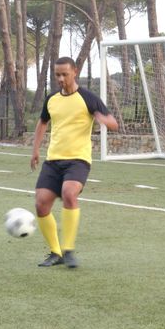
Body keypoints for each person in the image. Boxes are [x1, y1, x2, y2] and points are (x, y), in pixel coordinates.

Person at [29, 57, 119, 268]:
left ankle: (69, 250)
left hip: (78, 160)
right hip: (53, 160)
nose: (60, 78)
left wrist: (104, 120)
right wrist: (35, 150)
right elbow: (43, 122)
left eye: (64, 74)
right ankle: (56, 252)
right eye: (57, 75)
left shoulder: (88, 98)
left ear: (75, 72)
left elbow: (113, 122)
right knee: (41, 204)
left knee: (69, 193)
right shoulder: (51, 99)